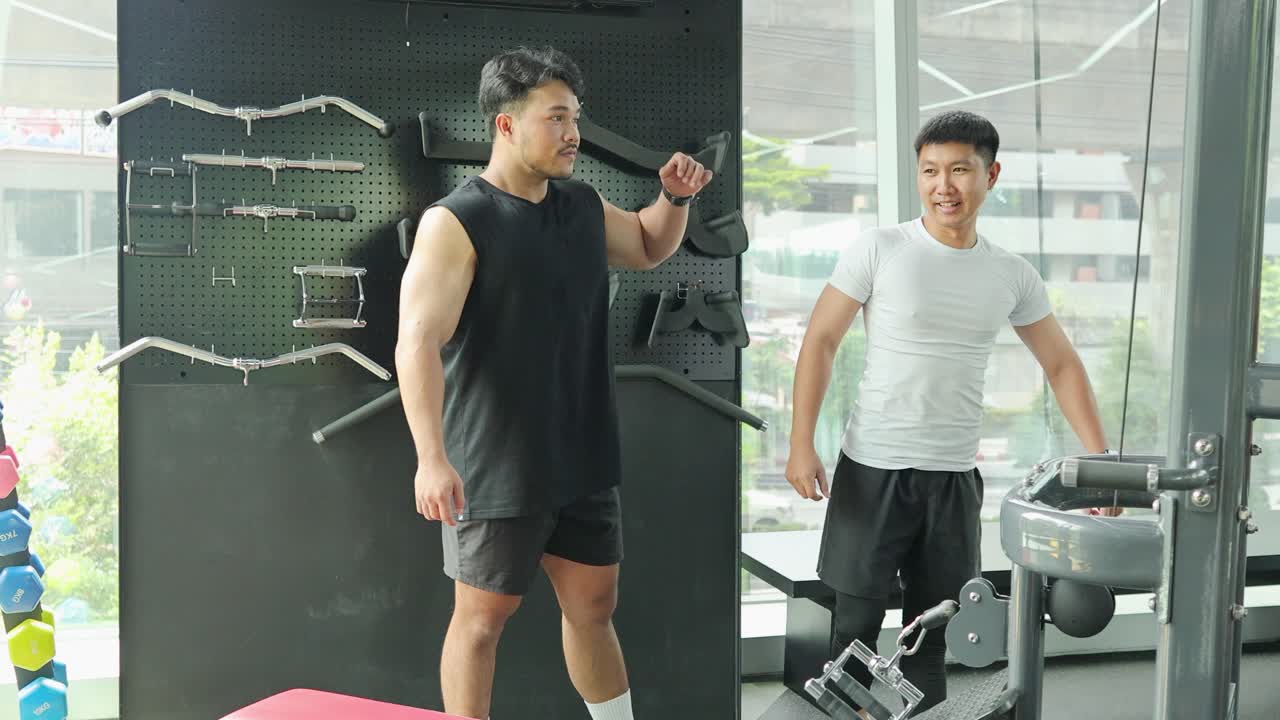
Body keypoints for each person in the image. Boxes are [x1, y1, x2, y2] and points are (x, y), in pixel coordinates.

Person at [395, 46, 713, 720]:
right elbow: (416, 343)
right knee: (481, 619)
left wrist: (674, 199)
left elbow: (648, 245)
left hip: (582, 451)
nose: (573, 134)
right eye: (558, 118)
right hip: (495, 459)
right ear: (507, 124)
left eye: (576, 118)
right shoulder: (456, 221)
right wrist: (430, 459)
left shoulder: (580, 204)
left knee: (594, 607)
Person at [783, 110, 1115, 715]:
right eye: (930, 171)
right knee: (853, 628)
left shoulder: (1011, 273)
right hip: (873, 468)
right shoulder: (881, 249)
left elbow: (1062, 365)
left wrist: (1101, 462)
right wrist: (800, 442)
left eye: (960, 170)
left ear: (991, 175)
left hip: (953, 478)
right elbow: (821, 341)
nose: (944, 186)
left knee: (933, 631)